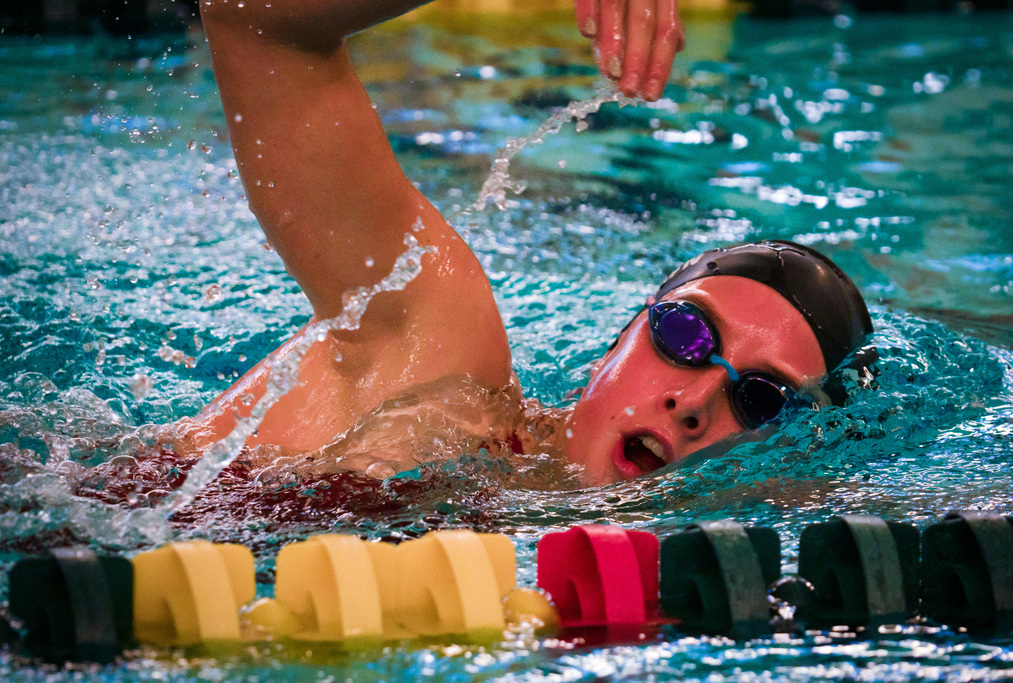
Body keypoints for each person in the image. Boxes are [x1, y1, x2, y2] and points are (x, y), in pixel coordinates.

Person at [181, 0, 871, 488]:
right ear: (618, 341)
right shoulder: (437, 367)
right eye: (686, 334)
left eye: (762, 400)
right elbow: (253, 18)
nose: (693, 405)